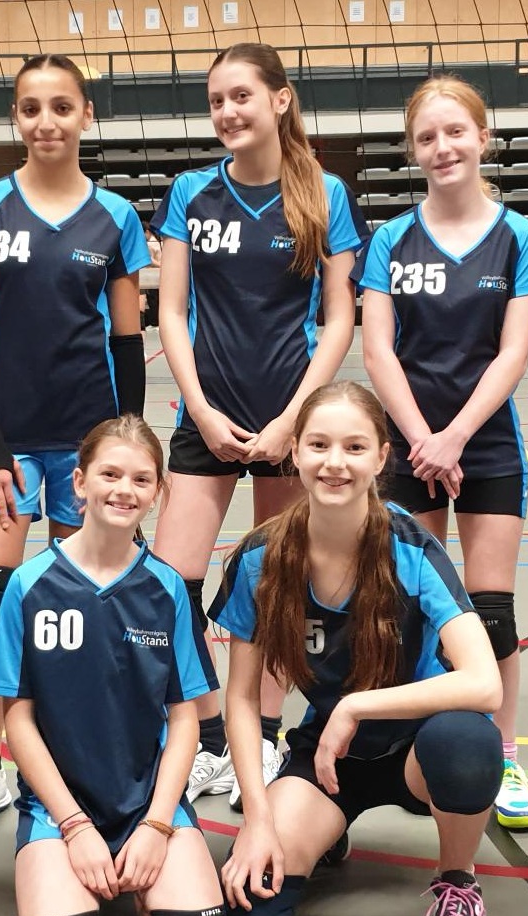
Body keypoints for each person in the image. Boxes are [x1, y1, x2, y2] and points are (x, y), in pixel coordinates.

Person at [0, 52, 152, 847]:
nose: (46, 121)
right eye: (31, 108)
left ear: (85, 115)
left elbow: (126, 342)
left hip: (86, 449)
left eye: (61, 106)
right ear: (16, 118)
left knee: (80, 608)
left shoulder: (115, 218)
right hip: (8, 446)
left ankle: (67, 764)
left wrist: (123, 448)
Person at [149, 42, 366, 810]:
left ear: (279, 99)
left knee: (276, 583)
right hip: (205, 418)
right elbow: (171, 311)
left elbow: (339, 318)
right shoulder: (190, 192)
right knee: (169, 586)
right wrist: (200, 408)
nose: (227, 112)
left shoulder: (323, 194)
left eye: (240, 95)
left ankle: (264, 738)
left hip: (289, 423)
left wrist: (293, 422)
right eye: (216, 100)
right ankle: (208, 736)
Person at [211, 381, 503, 916]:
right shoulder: (259, 558)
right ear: (295, 451)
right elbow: (243, 700)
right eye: (319, 445)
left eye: (354, 447)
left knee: (466, 746)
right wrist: (258, 819)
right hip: (331, 756)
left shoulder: (410, 546)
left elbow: (485, 683)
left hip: (421, 749)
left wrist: (355, 706)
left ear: (381, 458)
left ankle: (457, 877)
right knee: (251, 907)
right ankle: (327, 826)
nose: (335, 463)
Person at [357, 76, 528, 831]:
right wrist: (420, 440)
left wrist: (454, 438)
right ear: (413, 151)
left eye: (455, 132)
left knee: (491, 613)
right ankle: (407, 748)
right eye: (427, 137)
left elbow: (513, 352)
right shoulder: (390, 239)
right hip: (408, 444)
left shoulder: (518, 237)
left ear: (482, 138)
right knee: (408, 606)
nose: (442, 147)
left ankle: (502, 755)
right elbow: (377, 350)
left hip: (486, 444)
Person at [0, 416, 228, 916]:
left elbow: (185, 719)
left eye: (141, 479)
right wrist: (74, 826)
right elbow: (18, 721)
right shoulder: (29, 585)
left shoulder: (167, 588)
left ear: (157, 492)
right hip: (57, 808)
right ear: (80, 482)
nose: (124, 490)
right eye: (110, 474)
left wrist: (157, 825)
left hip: (149, 802)